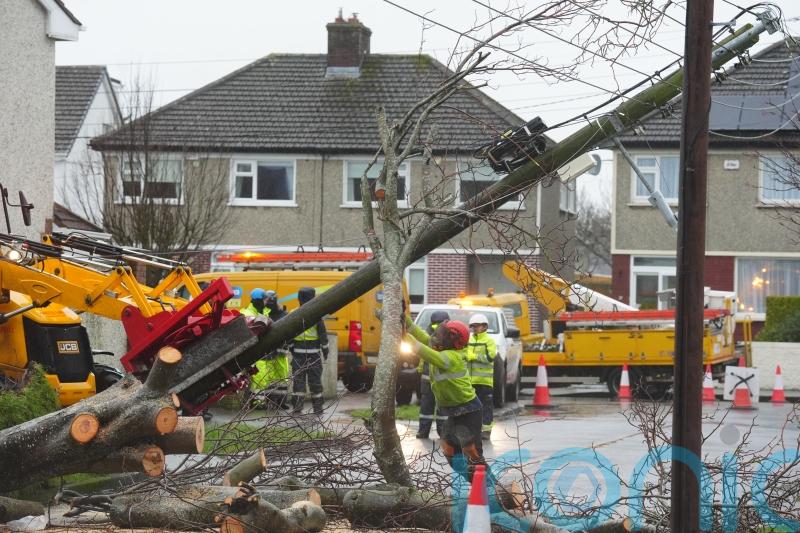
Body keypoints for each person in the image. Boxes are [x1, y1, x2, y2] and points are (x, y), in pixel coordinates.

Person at [404, 313, 487, 481]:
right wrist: (404, 319)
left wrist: (403, 336)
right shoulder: (442, 349)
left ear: (452, 340)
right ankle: (476, 484)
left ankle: (490, 488)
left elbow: (422, 350)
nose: (437, 337)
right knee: (449, 449)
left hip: (469, 410)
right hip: (454, 411)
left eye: (442, 334)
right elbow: (422, 336)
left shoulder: (451, 357)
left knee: (472, 452)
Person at [241, 289, 289, 408]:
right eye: (265, 299)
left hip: (265, 352)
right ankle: (257, 404)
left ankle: (267, 403)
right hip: (256, 353)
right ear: (259, 300)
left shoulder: (263, 312)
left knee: (267, 379)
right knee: (260, 380)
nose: (267, 301)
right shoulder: (248, 314)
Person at [289, 287, 329, 415]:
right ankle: (318, 408)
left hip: (298, 355)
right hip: (314, 355)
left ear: (299, 298)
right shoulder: (317, 314)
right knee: (315, 383)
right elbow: (323, 335)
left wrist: (291, 348)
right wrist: (325, 351)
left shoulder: (293, 313)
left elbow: (288, 334)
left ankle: (297, 407)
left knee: (298, 383)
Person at [416, 310, 449, 439]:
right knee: (442, 407)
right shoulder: (449, 336)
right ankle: (443, 432)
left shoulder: (427, 336)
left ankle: (423, 431)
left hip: (428, 377)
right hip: (441, 379)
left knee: (426, 405)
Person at [467, 313, 497, 440]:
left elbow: (490, 357)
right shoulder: (469, 340)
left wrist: (474, 357)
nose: (474, 328)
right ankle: (474, 430)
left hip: (485, 382)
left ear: (484, 326)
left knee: (486, 407)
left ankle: (486, 431)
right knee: (472, 408)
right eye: (473, 326)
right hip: (470, 381)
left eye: (477, 326)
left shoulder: (489, 341)